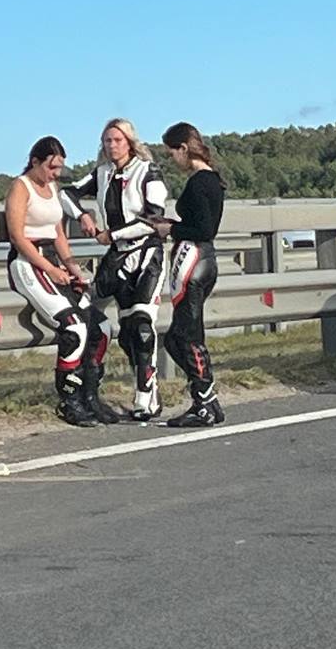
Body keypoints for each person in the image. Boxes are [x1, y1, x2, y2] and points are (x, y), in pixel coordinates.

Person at [60, 119, 169, 420]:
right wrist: (82, 215)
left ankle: (146, 396)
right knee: (121, 330)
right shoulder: (102, 173)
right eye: (107, 141)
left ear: (130, 142)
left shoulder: (148, 171)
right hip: (116, 256)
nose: (112, 146)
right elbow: (66, 193)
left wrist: (113, 234)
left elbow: (154, 218)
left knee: (142, 325)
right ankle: (89, 389)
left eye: (118, 140)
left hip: (146, 253)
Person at [6, 137, 119, 426]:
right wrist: (49, 268)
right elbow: (18, 237)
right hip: (29, 262)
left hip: (54, 262)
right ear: (35, 162)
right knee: (74, 328)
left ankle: (91, 395)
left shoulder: (53, 188)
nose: (55, 173)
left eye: (59, 168)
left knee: (101, 328)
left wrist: (72, 268)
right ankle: (69, 400)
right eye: (51, 167)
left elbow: (58, 234)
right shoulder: (21, 187)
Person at [150, 122, 226, 427]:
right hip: (203, 259)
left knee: (185, 336)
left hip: (194, 259)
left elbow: (204, 229)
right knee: (180, 336)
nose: (172, 160)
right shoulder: (213, 179)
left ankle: (204, 402)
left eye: (172, 153)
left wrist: (171, 229)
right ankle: (206, 399)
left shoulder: (199, 182)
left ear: (183, 148)